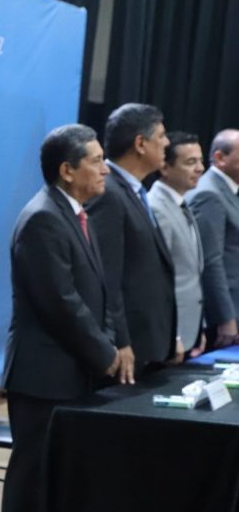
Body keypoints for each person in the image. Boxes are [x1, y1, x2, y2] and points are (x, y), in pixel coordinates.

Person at [0, 124, 119, 512]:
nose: (105, 169)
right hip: (42, 375)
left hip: (69, 372)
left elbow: (96, 292)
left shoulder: (75, 213)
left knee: (53, 479)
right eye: (96, 161)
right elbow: (61, 304)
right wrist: (106, 355)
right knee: (31, 478)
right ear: (67, 170)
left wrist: (109, 343)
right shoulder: (42, 219)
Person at [86, 103, 175, 379]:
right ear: (140, 144)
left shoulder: (135, 191)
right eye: (161, 136)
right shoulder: (108, 194)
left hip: (149, 341)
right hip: (129, 348)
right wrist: (120, 341)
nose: (167, 143)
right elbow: (107, 278)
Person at [148, 131, 206, 360]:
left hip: (189, 328)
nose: (200, 168)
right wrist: (175, 335)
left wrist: (199, 325)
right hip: (171, 334)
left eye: (200, 161)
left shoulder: (182, 202)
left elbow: (192, 272)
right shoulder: (156, 207)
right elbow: (157, 280)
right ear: (164, 167)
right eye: (190, 162)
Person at [187, 128, 239, 349]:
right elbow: (211, 261)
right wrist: (225, 318)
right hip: (223, 320)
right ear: (220, 158)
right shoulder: (209, 194)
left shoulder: (228, 191)